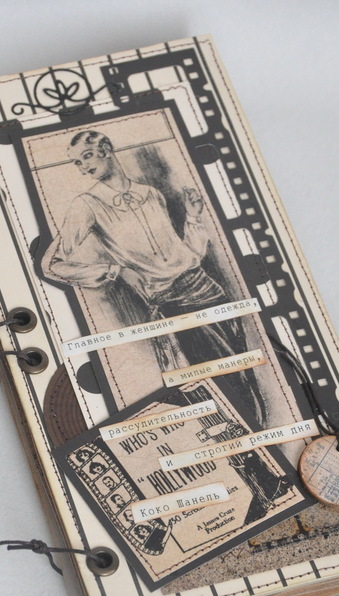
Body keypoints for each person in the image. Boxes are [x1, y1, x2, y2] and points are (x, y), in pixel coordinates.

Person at [42, 130, 265, 423]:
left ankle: (261, 436)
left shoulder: (151, 194)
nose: (84, 167)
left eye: (87, 156)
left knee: (245, 375)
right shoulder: (86, 205)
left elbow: (188, 255)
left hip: (211, 292)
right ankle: (250, 437)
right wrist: (114, 270)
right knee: (225, 385)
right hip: (174, 304)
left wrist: (193, 217)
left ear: (106, 149)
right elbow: (51, 265)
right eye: (77, 163)